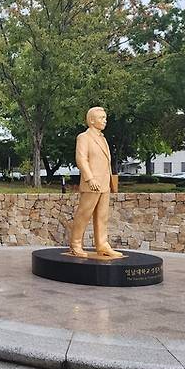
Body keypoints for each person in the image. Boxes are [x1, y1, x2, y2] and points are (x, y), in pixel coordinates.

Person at [69, 107, 123, 258]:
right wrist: (90, 178)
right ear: (92, 120)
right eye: (101, 118)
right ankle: (76, 244)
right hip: (91, 183)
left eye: (105, 118)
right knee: (84, 214)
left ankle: (102, 244)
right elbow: (81, 159)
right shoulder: (84, 137)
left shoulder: (103, 139)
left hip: (104, 183)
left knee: (102, 216)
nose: (105, 121)